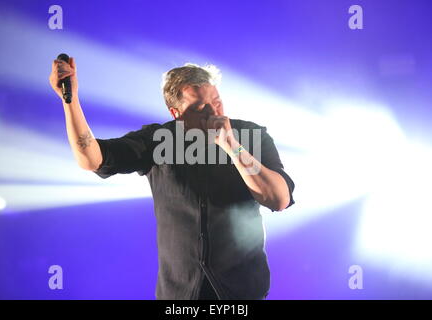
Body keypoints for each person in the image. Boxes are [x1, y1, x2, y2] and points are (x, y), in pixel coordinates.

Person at [49, 58, 295, 300]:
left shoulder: (252, 135)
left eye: (217, 103)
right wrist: (70, 101)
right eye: (200, 109)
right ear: (176, 113)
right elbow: (91, 159)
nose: (214, 114)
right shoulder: (157, 139)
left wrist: (232, 146)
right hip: (179, 295)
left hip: (242, 292)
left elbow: (279, 199)